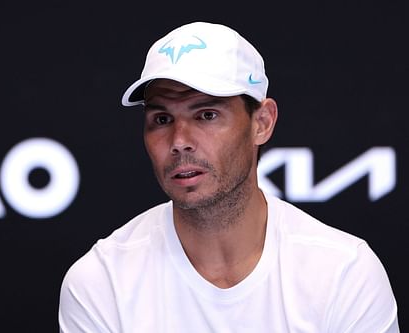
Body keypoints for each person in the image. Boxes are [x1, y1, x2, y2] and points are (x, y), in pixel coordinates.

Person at [59, 22, 399, 332]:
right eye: (162, 119)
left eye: (206, 115)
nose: (179, 142)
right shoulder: (102, 282)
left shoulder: (344, 273)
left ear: (262, 123)